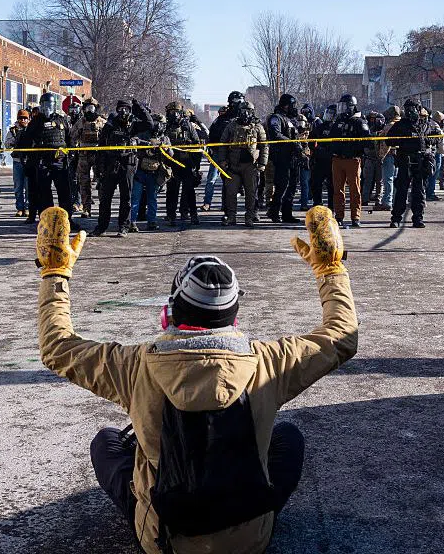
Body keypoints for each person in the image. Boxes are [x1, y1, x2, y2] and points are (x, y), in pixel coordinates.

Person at [34, 202, 357, 554]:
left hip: (164, 541)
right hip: (250, 541)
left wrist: (55, 274)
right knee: (288, 437)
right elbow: (341, 336)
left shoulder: (133, 365)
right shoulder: (269, 362)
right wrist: (331, 270)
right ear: (234, 317)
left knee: (107, 442)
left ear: (169, 314)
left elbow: (57, 347)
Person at [19, 93, 72, 225]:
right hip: (43, 162)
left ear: (54, 106)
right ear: (41, 106)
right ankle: (48, 221)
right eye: (45, 105)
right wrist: (26, 159)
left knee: (64, 192)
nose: (47, 107)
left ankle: (67, 219)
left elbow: (69, 139)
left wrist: (70, 156)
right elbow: (26, 142)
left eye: (50, 105)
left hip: (60, 162)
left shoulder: (61, 120)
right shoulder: (36, 122)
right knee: (44, 193)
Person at [387, 100, 441, 229]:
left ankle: (418, 218)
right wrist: (403, 140)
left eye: (412, 108)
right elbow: (389, 140)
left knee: (419, 192)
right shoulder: (401, 125)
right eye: (407, 109)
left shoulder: (427, 124)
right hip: (405, 160)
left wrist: (428, 140)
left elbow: (438, 136)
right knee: (401, 191)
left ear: (419, 109)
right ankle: (396, 218)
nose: (410, 111)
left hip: (421, 161)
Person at [92, 100, 137, 237]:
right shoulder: (110, 125)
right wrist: (99, 169)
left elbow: (149, 123)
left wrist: (138, 106)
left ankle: (124, 227)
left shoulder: (134, 124)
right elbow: (101, 147)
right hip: (110, 164)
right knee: (105, 198)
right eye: (120, 109)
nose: (123, 112)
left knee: (126, 198)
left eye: (126, 109)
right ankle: (101, 227)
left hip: (127, 164)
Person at [220, 101, 268, 228]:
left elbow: (264, 146)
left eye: (248, 111)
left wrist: (262, 163)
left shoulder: (258, 127)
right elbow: (223, 144)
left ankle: (249, 217)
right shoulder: (231, 126)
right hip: (233, 166)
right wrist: (223, 161)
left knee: (251, 193)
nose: (245, 114)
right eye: (243, 111)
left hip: (251, 166)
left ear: (252, 112)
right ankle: (231, 217)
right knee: (231, 193)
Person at [329, 94, 370, 228]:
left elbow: (367, 141)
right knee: (338, 190)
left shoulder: (359, 122)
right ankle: (339, 216)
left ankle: (355, 217)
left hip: (352, 160)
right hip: (337, 159)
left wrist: (357, 148)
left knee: (354, 190)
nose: (342, 109)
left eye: (344, 106)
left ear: (351, 107)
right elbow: (330, 138)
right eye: (340, 106)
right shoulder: (338, 121)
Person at [129, 113, 173, 232]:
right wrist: (144, 144)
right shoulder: (143, 135)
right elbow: (134, 142)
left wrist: (166, 148)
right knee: (135, 198)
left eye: (161, 124)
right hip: (140, 172)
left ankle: (151, 222)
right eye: (156, 123)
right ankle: (132, 222)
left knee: (152, 199)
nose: (158, 126)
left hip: (154, 173)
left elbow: (171, 155)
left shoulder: (165, 139)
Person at [164, 102, 202, 227]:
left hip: (187, 163)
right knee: (172, 192)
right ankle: (171, 216)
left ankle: (193, 215)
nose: (174, 115)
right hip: (172, 164)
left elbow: (197, 145)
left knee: (189, 191)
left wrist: (196, 166)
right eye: (172, 112)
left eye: (177, 112)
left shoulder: (188, 126)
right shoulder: (166, 127)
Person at [265, 93, 301, 224]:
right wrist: (291, 143)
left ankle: (287, 214)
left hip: (293, 158)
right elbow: (276, 135)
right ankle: (274, 212)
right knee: (281, 187)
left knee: (292, 187)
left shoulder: (290, 119)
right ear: (285, 106)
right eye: (292, 105)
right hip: (281, 158)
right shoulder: (276, 118)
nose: (294, 108)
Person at [70, 98, 106, 218]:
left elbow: (108, 138)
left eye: (92, 108)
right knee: (84, 183)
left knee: (102, 182)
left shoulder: (102, 122)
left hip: (98, 156)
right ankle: (86, 208)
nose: (90, 110)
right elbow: (72, 137)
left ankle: (103, 208)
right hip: (83, 155)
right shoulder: (80, 122)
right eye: (88, 108)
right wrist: (72, 151)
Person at [201, 105, 230, 212]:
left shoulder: (232, 123)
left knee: (227, 180)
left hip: (228, 154)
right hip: (216, 153)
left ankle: (225, 204)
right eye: (221, 113)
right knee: (211, 180)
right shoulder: (216, 122)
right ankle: (207, 203)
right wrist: (210, 150)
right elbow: (210, 136)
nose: (222, 115)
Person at [309, 104, 336, 209]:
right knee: (315, 184)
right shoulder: (320, 126)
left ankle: (332, 208)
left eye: (331, 114)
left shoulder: (338, 127)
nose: (329, 115)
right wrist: (315, 149)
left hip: (333, 160)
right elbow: (311, 139)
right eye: (328, 113)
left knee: (332, 186)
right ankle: (317, 205)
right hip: (319, 160)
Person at [6, 109, 31, 217]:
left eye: (25, 118)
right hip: (17, 161)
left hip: (29, 161)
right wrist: (14, 140)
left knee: (28, 186)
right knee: (18, 186)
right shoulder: (13, 131)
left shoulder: (31, 129)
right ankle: (20, 208)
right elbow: (7, 144)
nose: (23, 120)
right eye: (21, 118)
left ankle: (28, 208)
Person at [375, 105, 400, 212]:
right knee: (395, 179)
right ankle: (394, 201)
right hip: (399, 155)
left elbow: (385, 143)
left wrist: (381, 156)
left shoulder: (390, 126)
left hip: (389, 155)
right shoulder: (401, 124)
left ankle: (387, 202)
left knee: (388, 179)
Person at [360, 111, 385, 211]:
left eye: (375, 119)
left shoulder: (384, 130)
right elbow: (365, 144)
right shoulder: (367, 129)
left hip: (380, 159)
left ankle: (378, 199)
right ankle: (365, 198)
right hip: (369, 158)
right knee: (367, 180)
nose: (374, 121)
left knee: (380, 181)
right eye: (372, 119)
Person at [295, 114, 312, 211]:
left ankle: (304, 203)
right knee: (291, 183)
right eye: (298, 122)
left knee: (304, 183)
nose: (300, 125)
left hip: (305, 159)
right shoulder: (293, 131)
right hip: (295, 159)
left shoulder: (308, 132)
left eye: (302, 122)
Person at [429, 110, 444, 200]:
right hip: (436, 153)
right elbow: (441, 143)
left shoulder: (428, 124)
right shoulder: (437, 128)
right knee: (434, 174)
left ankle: (428, 192)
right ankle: (430, 193)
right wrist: (443, 152)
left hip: (429, 152)